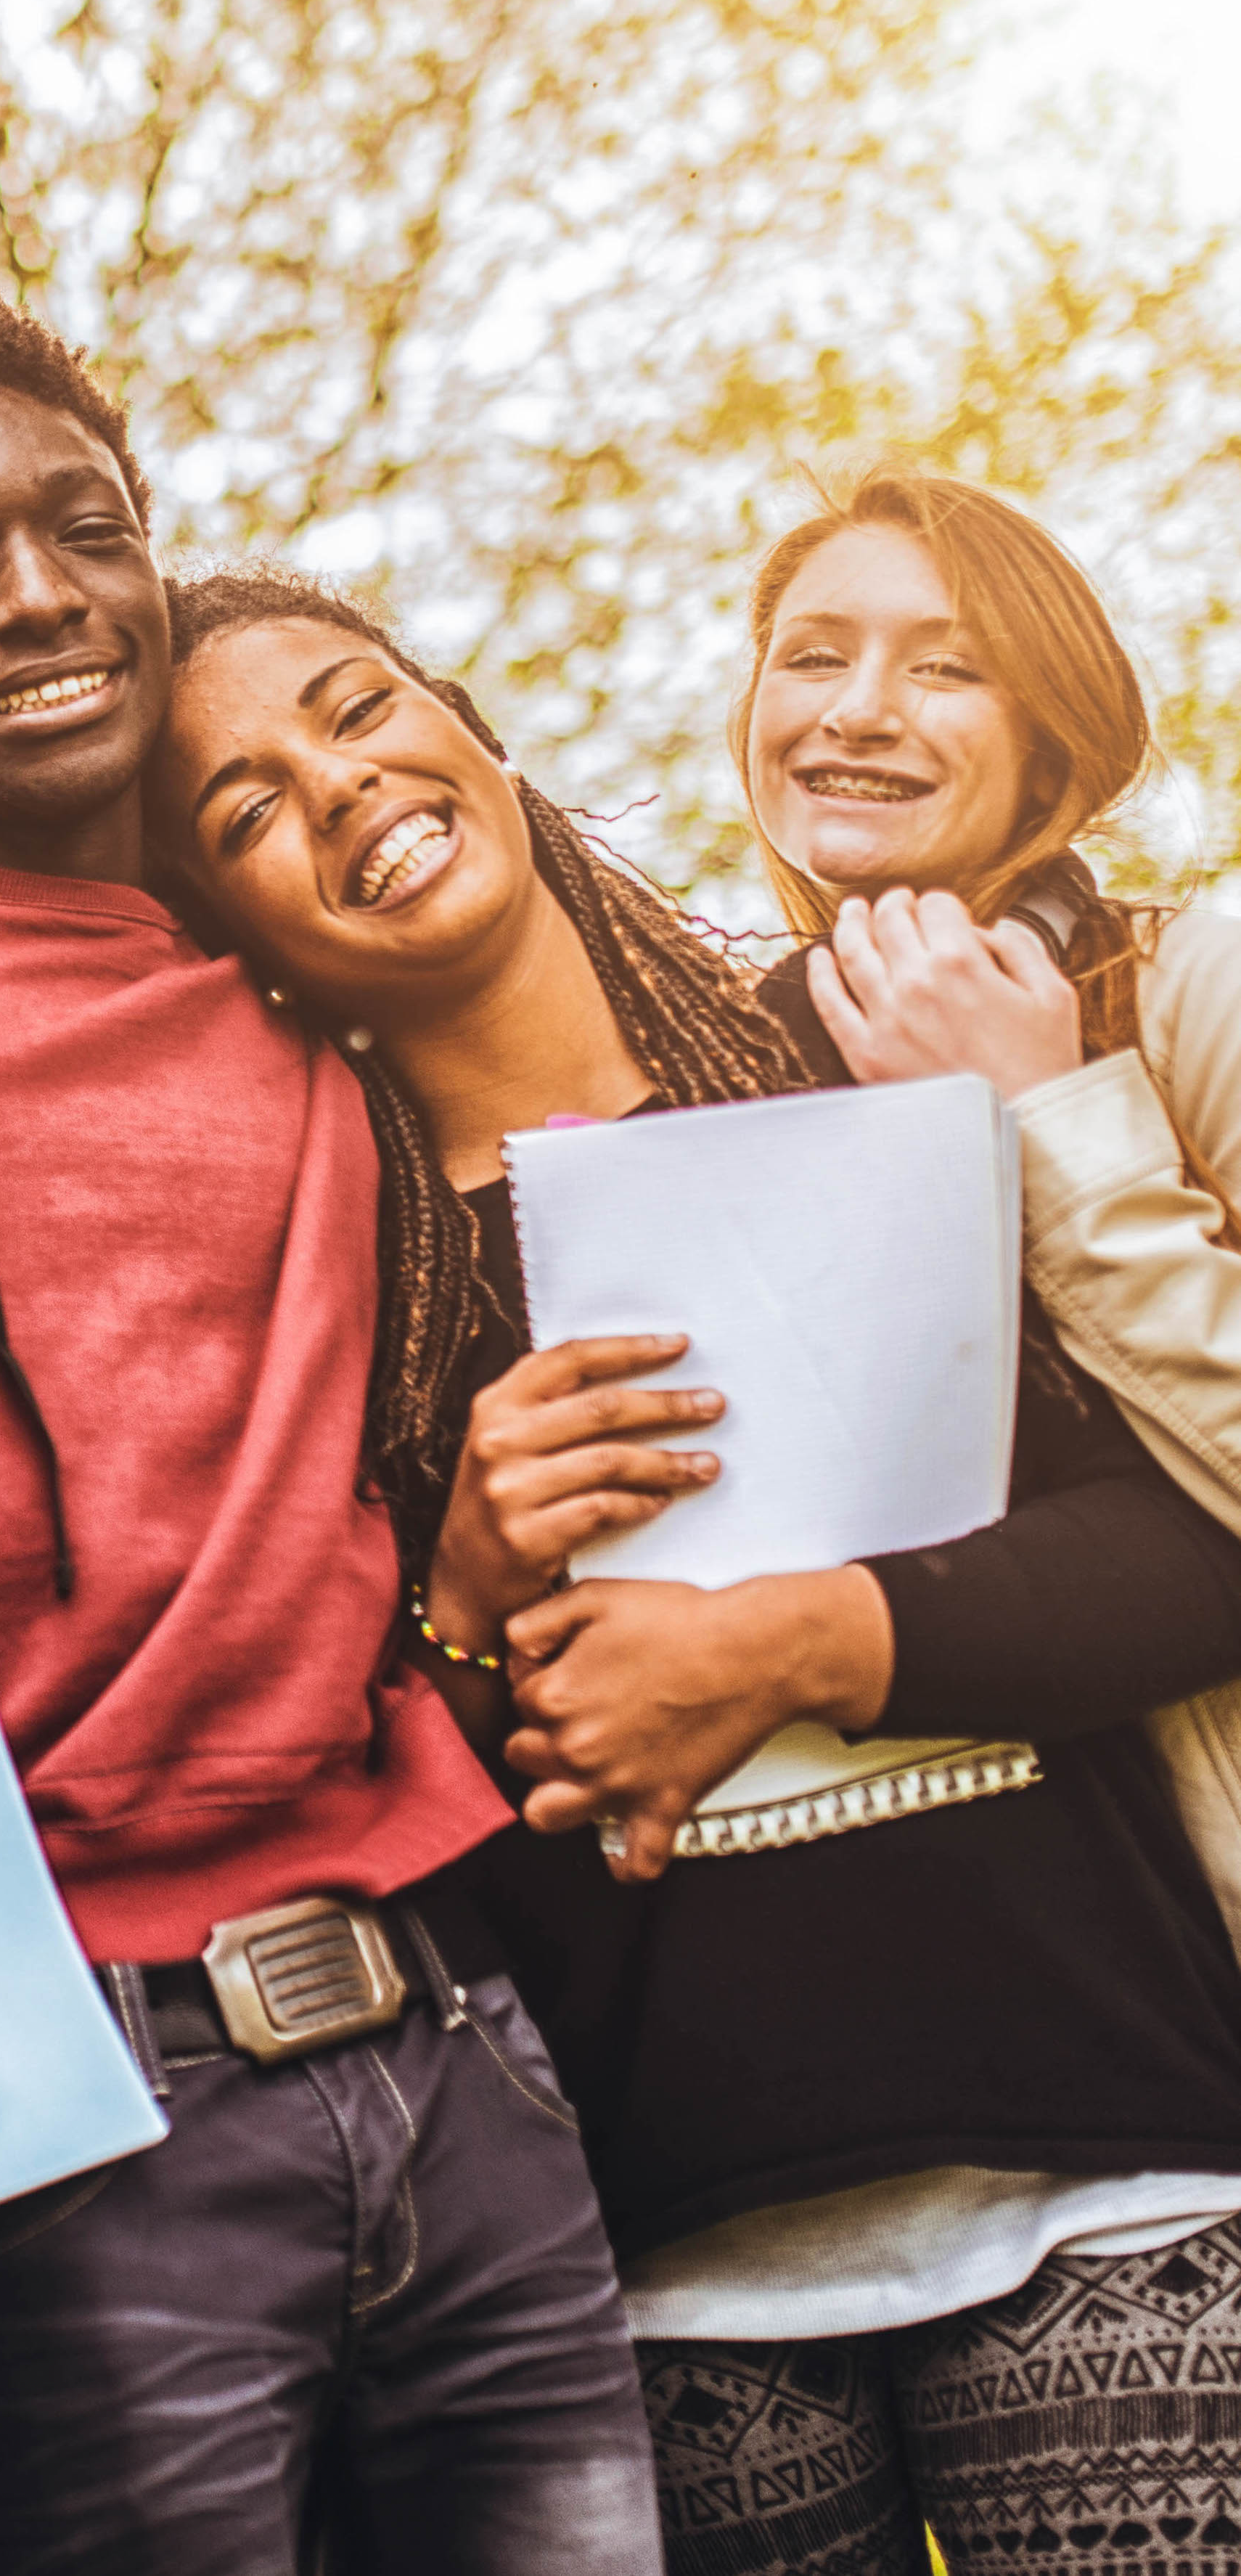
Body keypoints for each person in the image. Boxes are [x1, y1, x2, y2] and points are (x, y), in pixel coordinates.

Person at [0, 290, 664, 2576]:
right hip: (57, 2109)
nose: (39, 598)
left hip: (459, 2034)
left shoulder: (302, 985)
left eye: (85, 529)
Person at [147, 555, 1241, 2576]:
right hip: (670, 2280)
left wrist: (801, 1636)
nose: (332, 783)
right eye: (236, 806)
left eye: (358, 705)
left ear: (472, 723)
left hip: (1109, 2158)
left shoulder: (876, 1050)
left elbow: (1202, 1546)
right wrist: (457, 1598)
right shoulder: (317, 1295)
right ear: (231, 934)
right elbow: (338, 1795)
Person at [737, 467, 1241, 1947]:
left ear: (1044, 751)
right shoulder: (717, 1076)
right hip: (1027, 2016)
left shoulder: (1188, 988)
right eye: (812, 654)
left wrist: (1051, 1124)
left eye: (943, 666)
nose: (856, 707)